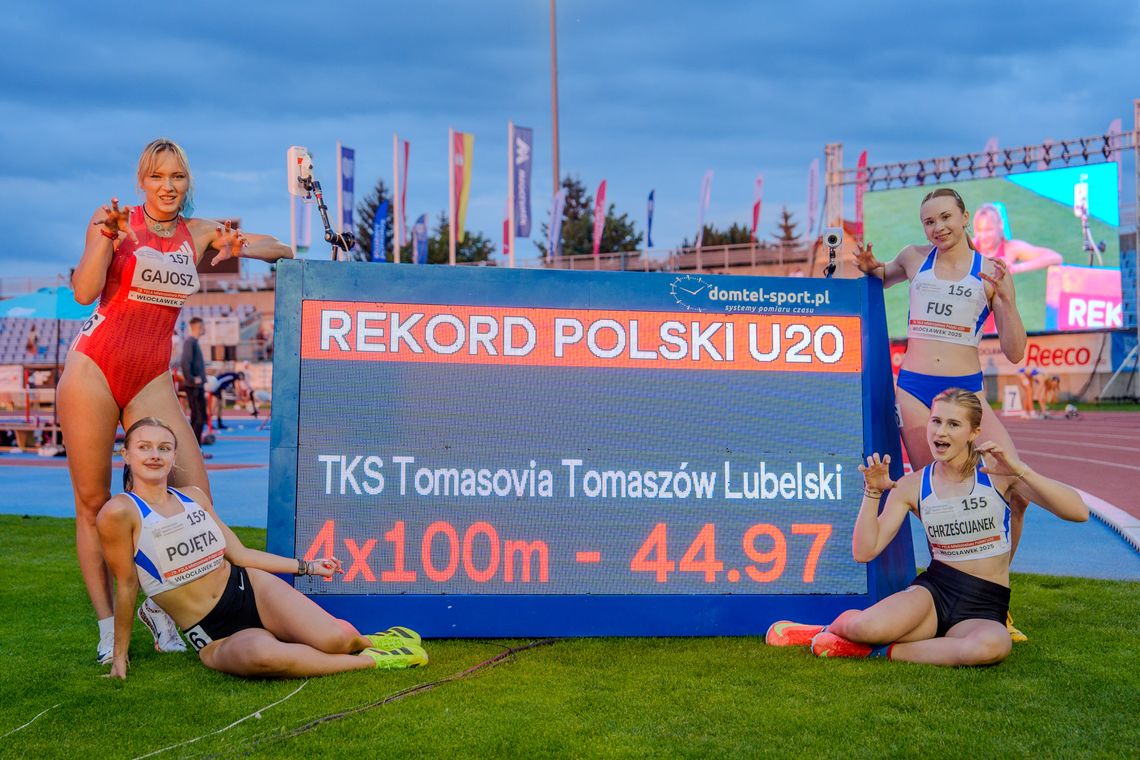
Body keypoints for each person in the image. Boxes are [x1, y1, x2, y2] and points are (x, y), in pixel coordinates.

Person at [61, 138, 294, 664]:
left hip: (150, 374)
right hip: (93, 367)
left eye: (178, 178)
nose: (168, 187)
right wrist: (102, 239)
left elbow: (276, 245)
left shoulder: (200, 232)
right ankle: (106, 629)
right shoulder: (114, 222)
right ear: (142, 180)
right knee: (94, 503)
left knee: (195, 492)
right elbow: (83, 291)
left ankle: (160, 607)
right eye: (158, 177)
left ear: (188, 184)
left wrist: (252, 247)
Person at [766, 389, 1087, 666]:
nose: (940, 432)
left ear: (974, 432)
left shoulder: (999, 475)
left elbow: (1078, 512)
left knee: (993, 647)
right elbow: (865, 551)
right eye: (936, 421)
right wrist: (872, 493)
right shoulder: (912, 485)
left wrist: (1020, 470)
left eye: (953, 424)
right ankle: (824, 631)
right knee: (868, 627)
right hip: (934, 593)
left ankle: (880, 653)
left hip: (985, 606)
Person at [97, 418, 427, 679]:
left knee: (337, 640)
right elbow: (126, 585)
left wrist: (308, 566)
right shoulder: (120, 512)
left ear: (172, 456)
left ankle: (370, 641)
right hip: (213, 633)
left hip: (249, 587)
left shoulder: (194, 497)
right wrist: (120, 656)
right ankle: (374, 661)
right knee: (263, 657)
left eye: (164, 448)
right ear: (126, 454)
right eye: (144, 447)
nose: (155, 455)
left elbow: (239, 554)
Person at [853, 187, 1033, 641]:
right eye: (929, 221)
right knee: (937, 496)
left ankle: (990, 596)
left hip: (967, 392)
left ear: (965, 216)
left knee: (1017, 490)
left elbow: (1014, 352)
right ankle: (945, 592)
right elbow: (882, 275)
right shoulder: (916, 257)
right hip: (915, 392)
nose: (938, 228)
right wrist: (872, 266)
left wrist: (1006, 300)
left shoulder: (991, 273)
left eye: (945, 218)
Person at [972, 202, 1063, 274]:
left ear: (1000, 225)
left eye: (988, 230)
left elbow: (1055, 257)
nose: (983, 236)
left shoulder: (1010, 249)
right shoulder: (968, 246)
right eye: (979, 230)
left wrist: (1016, 268)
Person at [181, 317, 208, 444]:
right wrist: (192, 379)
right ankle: (195, 447)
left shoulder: (194, 342)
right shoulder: (190, 342)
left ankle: (194, 446)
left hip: (197, 386)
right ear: (198, 327)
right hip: (194, 387)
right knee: (199, 417)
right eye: (203, 326)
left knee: (198, 416)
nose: (204, 328)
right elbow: (185, 362)